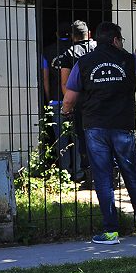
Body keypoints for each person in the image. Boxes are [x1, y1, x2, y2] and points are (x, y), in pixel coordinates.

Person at [61, 22, 136, 244]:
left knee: (103, 178)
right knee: (132, 175)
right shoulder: (130, 60)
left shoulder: (83, 63)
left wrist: (66, 112)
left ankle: (111, 232)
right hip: (123, 126)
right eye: (121, 39)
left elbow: (69, 98)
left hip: (95, 127)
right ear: (115, 40)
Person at [60, 20, 98, 187]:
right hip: (103, 102)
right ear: (89, 34)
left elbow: (65, 83)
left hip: (82, 105)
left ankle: (89, 177)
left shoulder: (69, 53)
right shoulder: (99, 47)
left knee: (84, 140)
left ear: (72, 37)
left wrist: (69, 106)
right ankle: (112, 175)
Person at [41, 22, 73, 172]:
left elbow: (45, 79)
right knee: (78, 138)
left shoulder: (46, 52)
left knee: (61, 139)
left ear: (56, 34)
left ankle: (64, 170)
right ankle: (79, 171)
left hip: (56, 100)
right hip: (75, 100)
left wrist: (49, 99)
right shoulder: (77, 50)